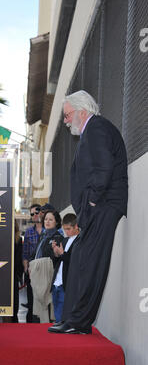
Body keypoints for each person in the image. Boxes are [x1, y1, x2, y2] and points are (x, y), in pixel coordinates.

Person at [48, 90, 128, 334]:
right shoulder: (92, 130)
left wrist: (91, 203)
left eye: (67, 115)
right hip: (98, 207)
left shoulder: (96, 128)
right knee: (82, 260)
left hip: (102, 207)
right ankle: (75, 320)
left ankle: (78, 322)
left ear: (82, 111)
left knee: (90, 264)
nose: (65, 121)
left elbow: (102, 168)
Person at [29, 209, 63, 322]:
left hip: (48, 276)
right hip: (37, 276)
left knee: (47, 307)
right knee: (39, 309)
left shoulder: (58, 237)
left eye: (51, 220)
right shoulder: (43, 236)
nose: (47, 222)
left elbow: (57, 257)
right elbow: (35, 254)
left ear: (56, 222)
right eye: (46, 219)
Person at [51, 213, 79, 323]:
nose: (66, 232)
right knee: (57, 315)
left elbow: (75, 262)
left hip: (66, 283)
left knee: (65, 317)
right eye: (64, 229)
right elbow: (58, 261)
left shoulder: (80, 241)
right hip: (57, 282)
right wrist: (56, 253)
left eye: (68, 229)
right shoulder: (65, 240)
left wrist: (62, 254)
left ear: (76, 226)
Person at [22, 204, 43, 322]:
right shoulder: (29, 232)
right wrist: (26, 269)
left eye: (37, 212)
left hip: (46, 271)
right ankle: (30, 325)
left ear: (42, 212)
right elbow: (25, 254)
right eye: (32, 214)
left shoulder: (49, 229)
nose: (34, 215)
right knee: (31, 301)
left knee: (44, 301)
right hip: (32, 271)